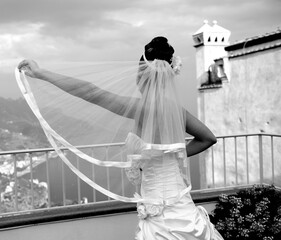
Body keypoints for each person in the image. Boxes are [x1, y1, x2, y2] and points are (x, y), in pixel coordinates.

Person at [18, 36, 223, 239]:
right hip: (181, 202)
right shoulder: (178, 110)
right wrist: (172, 154)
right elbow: (208, 138)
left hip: (157, 208)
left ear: (142, 74)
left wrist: (40, 73)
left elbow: (91, 92)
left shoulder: (142, 108)